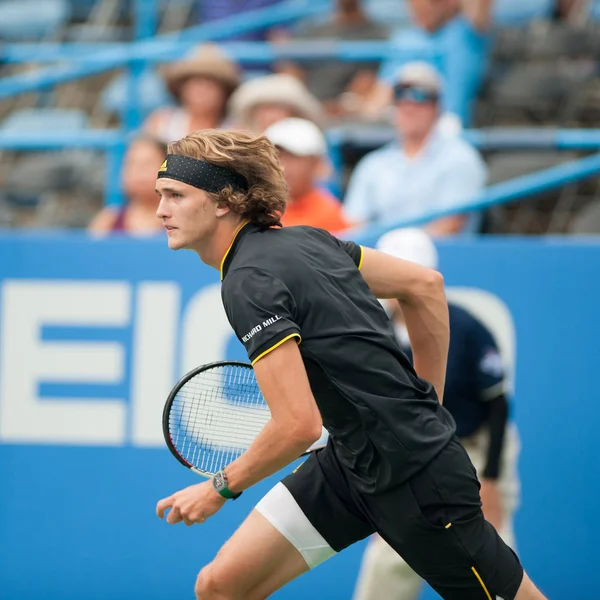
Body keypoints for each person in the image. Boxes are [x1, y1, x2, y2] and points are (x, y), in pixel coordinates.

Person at [154, 128, 546, 600]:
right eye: (160, 196)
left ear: (223, 202)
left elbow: (298, 426)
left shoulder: (248, 282)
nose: (161, 211)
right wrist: (430, 404)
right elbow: (424, 286)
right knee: (220, 587)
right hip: (348, 465)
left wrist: (219, 488)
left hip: (416, 480)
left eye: (175, 195)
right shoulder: (312, 241)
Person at [353, 227, 521, 600]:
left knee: (491, 556)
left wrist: (490, 482)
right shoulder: (372, 331)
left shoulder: (464, 327)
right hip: (411, 457)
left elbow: (497, 404)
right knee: (389, 559)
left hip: (476, 449)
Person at [343, 62, 487, 235]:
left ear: (437, 106)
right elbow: (354, 227)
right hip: (381, 257)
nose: (409, 105)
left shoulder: (461, 157)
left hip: (443, 259)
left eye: (421, 96)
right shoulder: (373, 164)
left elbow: (449, 227)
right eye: (399, 95)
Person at [363, 0, 492, 127]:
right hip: (407, 133)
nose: (418, 10)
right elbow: (377, 103)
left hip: (453, 131)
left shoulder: (467, 32)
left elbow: (479, 9)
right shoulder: (404, 41)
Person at [276, 0, 389, 118]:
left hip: (344, 112)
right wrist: (301, 102)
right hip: (308, 105)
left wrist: (342, 105)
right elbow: (290, 66)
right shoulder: (314, 29)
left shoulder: (376, 34)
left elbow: (365, 82)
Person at [264, 117, 349, 232]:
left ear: (316, 163)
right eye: (276, 156)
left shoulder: (329, 215)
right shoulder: (253, 209)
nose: (282, 166)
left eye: (293, 157)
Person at [143, 44, 241, 143]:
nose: (201, 91)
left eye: (209, 85)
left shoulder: (235, 132)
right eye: (195, 84)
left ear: (224, 92)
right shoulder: (161, 124)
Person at [88, 134, 166, 235]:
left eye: (147, 164)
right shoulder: (108, 221)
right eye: (131, 164)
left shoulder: (181, 221)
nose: (139, 171)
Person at [228, 73, 325, 133]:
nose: (271, 116)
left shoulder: (309, 149)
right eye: (265, 108)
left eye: (279, 108)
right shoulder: (235, 149)